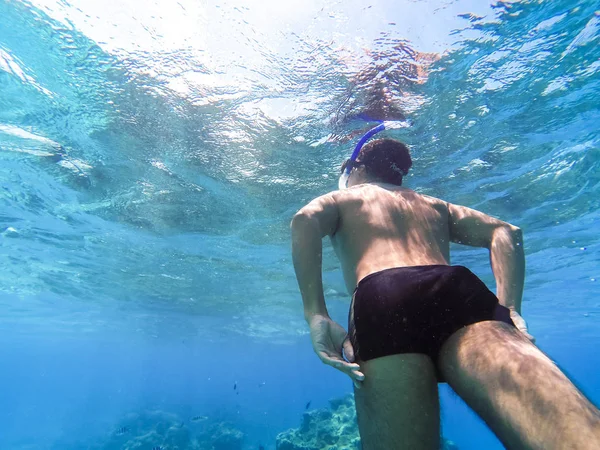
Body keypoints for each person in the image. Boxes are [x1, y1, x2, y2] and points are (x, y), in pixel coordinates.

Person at [290, 138, 600, 450]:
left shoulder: (344, 198)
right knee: (570, 436)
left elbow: (304, 220)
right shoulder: (434, 205)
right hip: (457, 289)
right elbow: (506, 232)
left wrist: (316, 313)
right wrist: (509, 308)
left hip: (383, 294)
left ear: (356, 168)